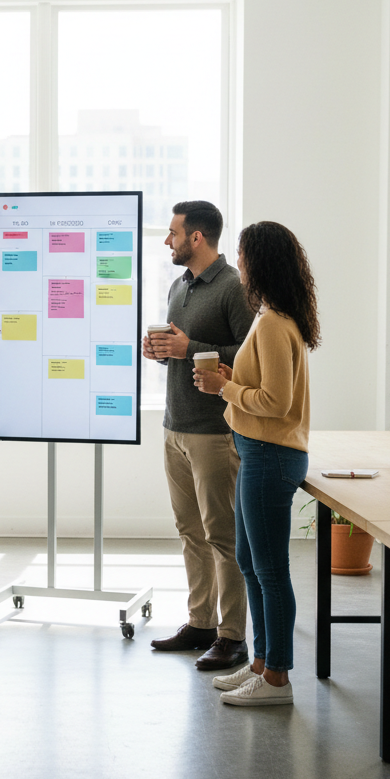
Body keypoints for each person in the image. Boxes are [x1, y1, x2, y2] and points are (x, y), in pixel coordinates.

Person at [193, 221, 319, 707]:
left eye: (243, 255)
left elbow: (276, 402)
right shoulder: (275, 317)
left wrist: (224, 388)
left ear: (258, 261)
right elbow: (265, 389)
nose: (238, 263)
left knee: (269, 570)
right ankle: (263, 663)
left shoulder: (271, 322)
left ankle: (276, 680)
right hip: (258, 452)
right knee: (251, 562)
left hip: (269, 455)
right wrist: (231, 376)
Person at [143, 201, 256, 670]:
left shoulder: (234, 289)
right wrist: (161, 351)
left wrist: (191, 348)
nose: (167, 241)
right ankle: (201, 622)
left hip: (215, 432)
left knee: (222, 536)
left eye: (173, 233)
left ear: (197, 237)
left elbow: (249, 356)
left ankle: (232, 636)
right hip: (175, 427)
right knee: (190, 532)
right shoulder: (178, 285)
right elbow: (183, 350)